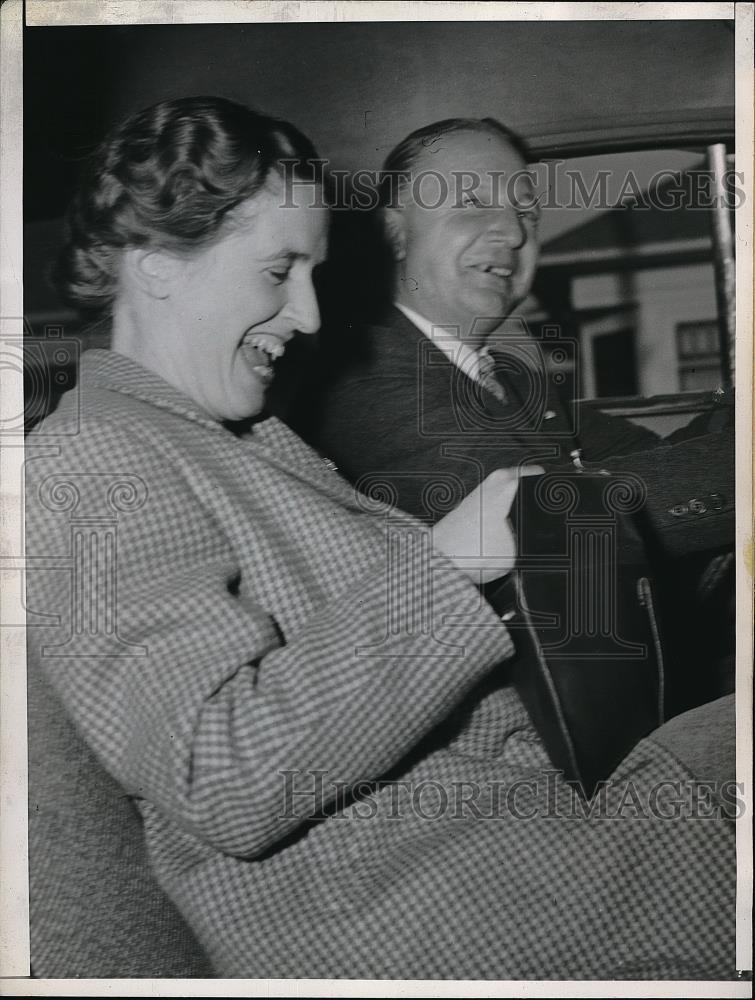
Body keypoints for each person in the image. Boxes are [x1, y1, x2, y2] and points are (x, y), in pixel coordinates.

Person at [25, 98, 736, 981]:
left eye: (313, 274)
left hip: (504, 837)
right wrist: (447, 564)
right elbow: (223, 774)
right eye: (279, 270)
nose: (312, 315)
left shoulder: (228, 440)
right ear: (158, 264)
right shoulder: (95, 451)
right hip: (447, 902)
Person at [301, 117, 736, 712]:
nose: (511, 230)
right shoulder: (364, 378)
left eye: (528, 212)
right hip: (516, 716)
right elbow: (552, 525)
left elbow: (657, 465)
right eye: (473, 202)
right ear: (393, 232)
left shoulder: (510, 380)